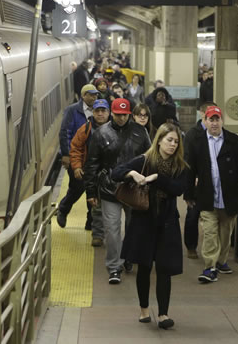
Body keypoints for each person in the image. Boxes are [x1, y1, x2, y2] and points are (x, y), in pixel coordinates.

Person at [112, 123, 189, 330]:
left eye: (175, 141)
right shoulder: (145, 160)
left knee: (164, 269)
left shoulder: (180, 166)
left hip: (167, 224)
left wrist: (158, 179)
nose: (172, 145)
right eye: (169, 140)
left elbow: (178, 189)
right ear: (159, 140)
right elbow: (116, 172)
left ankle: (163, 314)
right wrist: (132, 174)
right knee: (144, 267)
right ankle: (144, 309)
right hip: (143, 222)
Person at [84, 98, 151, 284]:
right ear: (112, 113)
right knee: (112, 230)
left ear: (129, 114)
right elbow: (92, 164)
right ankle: (114, 267)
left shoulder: (140, 132)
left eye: (124, 115)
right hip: (109, 189)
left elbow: (149, 159)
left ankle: (129, 257)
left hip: (134, 188)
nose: (121, 118)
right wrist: (90, 192)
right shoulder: (101, 134)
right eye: (118, 114)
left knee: (133, 227)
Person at [184, 105, 238, 283]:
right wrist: (188, 194)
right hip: (207, 195)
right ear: (204, 121)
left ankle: (221, 261)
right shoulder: (197, 142)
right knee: (210, 232)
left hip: (230, 196)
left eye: (217, 119)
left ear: (222, 120)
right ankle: (209, 267)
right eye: (210, 119)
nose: (214, 123)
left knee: (225, 232)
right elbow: (189, 170)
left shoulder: (235, 141)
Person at [57, 84, 100, 229]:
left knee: (93, 189)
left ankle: (91, 221)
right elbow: (65, 132)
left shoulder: (100, 110)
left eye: (95, 95)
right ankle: (63, 208)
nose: (94, 97)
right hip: (77, 157)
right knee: (77, 187)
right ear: (83, 96)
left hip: (94, 158)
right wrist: (66, 154)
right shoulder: (72, 110)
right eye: (91, 94)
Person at [69, 99, 110, 246]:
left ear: (108, 112)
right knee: (96, 206)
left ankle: (112, 234)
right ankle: (98, 235)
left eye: (103, 111)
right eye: (97, 111)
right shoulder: (86, 129)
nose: (100, 114)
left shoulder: (116, 128)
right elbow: (75, 148)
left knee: (113, 207)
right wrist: (77, 166)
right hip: (93, 173)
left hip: (112, 173)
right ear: (93, 112)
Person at [182, 102, 217, 259]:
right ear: (203, 115)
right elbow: (187, 162)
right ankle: (191, 246)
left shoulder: (219, 133)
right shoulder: (192, 135)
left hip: (215, 183)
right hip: (197, 183)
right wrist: (188, 191)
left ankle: (214, 250)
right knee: (193, 215)